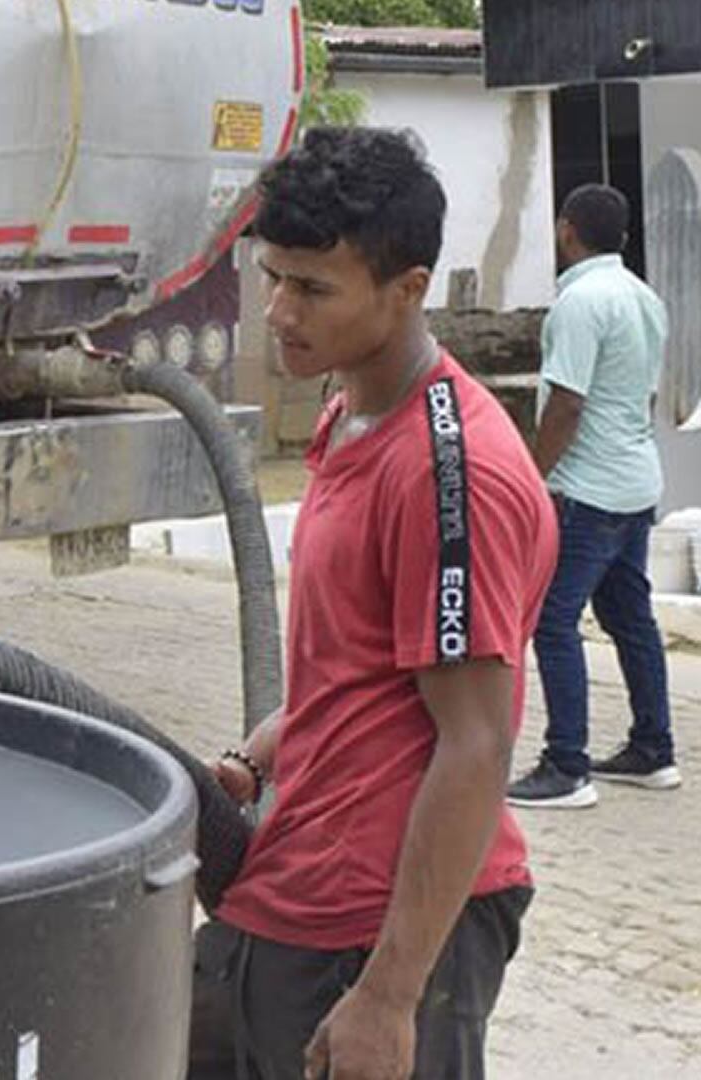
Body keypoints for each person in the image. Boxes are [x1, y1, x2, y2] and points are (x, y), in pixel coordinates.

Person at [205, 127, 557, 1080]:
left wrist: (393, 997)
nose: (278, 311)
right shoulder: (349, 409)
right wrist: (258, 756)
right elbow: (363, 668)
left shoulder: (453, 475)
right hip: (290, 886)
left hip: (377, 931)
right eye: (274, 276)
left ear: (409, 290)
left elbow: (477, 741)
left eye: (313, 288)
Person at [505, 184, 680, 809]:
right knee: (631, 617)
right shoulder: (643, 298)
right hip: (636, 482)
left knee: (553, 621)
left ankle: (566, 765)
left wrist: (528, 477)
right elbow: (643, 396)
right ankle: (654, 751)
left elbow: (567, 404)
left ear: (567, 229)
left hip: (588, 491)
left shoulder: (579, 302)